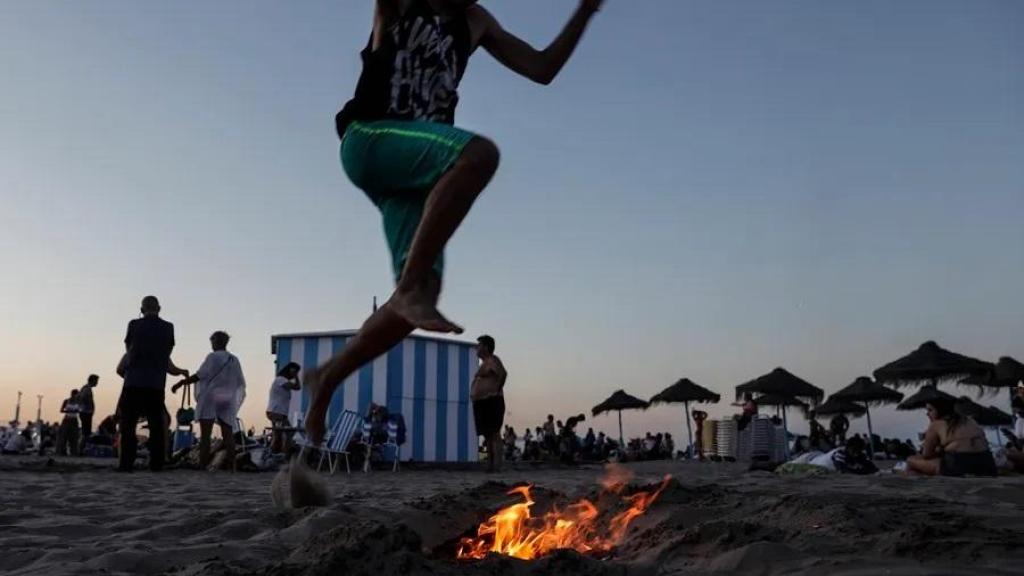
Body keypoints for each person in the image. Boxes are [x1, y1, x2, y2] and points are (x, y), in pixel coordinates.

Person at [304, 0, 606, 445]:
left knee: (422, 298)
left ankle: (326, 380)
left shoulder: (476, 22)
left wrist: (585, 12)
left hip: (417, 171)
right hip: (371, 138)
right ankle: (408, 289)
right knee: (478, 154)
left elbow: (542, 68)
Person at [119, 295, 189, 472]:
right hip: (156, 383)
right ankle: (157, 463)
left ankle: (126, 463)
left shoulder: (134, 325)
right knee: (157, 425)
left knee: (128, 424)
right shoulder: (168, 327)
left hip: (133, 380)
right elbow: (166, 355)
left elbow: (129, 350)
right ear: (159, 308)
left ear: (142, 310)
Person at [173, 331, 247, 472]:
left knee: (205, 435)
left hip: (211, 397)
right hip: (226, 397)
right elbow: (239, 382)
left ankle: (203, 466)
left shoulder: (213, 357)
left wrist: (182, 383)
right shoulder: (234, 359)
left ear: (215, 341)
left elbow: (200, 375)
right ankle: (233, 467)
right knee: (228, 433)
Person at [907, 397, 997, 477]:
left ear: (940, 410)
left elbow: (926, 455)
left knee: (911, 460)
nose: (927, 414)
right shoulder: (970, 420)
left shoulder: (936, 424)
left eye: (930, 410)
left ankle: (924, 489)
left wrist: (940, 450)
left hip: (958, 465)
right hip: (987, 464)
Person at [469, 334, 507, 472]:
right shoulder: (485, 363)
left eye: (479, 345)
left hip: (491, 401)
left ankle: (496, 465)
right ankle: (491, 465)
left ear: (485, 347)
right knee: (488, 435)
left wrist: (495, 390)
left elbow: (503, 374)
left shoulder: (492, 360)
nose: (476, 348)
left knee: (494, 434)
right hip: (482, 402)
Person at [266, 362, 302, 454]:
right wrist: (295, 376)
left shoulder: (281, 380)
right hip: (276, 412)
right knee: (285, 433)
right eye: (295, 371)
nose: (295, 373)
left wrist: (295, 375)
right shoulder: (281, 380)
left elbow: (298, 387)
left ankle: (277, 453)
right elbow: (296, 387)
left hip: (278, 413)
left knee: (279, 433)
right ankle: (281, 453)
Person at [57, 390, 82, 456]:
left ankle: (73, 452)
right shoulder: (66, 401)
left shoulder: (78, 402)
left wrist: (77, 411)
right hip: (67, 419)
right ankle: (62, 451)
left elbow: (80, 410)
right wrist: (68, 411)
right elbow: (61, 410)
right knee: (64, 436)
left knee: (74, 437)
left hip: (74, 420)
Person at [79, 374, 98, 453]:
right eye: (96, 381)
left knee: (86, 433)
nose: (97, 383)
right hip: (86, 413)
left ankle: (81, 450)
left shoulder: (87, 388)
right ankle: (80, 450)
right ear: (92, 380)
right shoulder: (87, 389)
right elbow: (82, 398)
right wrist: (88, 407)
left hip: (86, 412)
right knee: (85, 433)